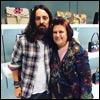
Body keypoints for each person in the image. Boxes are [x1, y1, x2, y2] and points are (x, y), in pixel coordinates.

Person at [9, 5, 53, 99]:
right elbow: (14, 65)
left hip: (48, 92)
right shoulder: (22, 40)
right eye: (38, 18)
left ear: (49, 21)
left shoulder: (51, 41)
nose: (41, 21)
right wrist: (17, 86)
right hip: (28, 92)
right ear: (33, 21)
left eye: (45, 18)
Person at [49, 17, 92, 99]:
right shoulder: (52, 49)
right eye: (55, 32)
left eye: (61, 32)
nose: (57, 35)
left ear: (67, 33)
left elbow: (86, 79)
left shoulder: (78, 51)